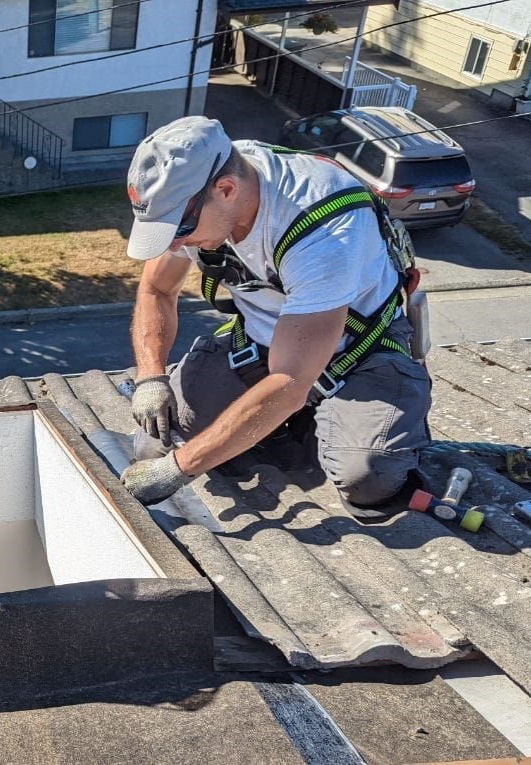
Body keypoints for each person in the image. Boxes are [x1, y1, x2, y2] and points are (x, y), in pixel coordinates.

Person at [118, 116, 431, 518]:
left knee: (368, 480)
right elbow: (156, 289)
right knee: (154, 443)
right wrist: (150, 376)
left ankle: (392, 409)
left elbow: (289, 382)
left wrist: (179, 469)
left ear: (226, 190)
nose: (175, 245)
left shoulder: (323, 229)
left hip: (358, 351)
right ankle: (288, 423)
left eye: (180, 229)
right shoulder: (203, 186)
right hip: (266, 341)